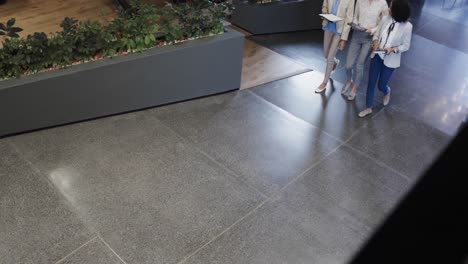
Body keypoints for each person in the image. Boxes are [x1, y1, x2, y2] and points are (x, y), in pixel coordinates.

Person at [358, 0, 412, 117]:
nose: (389, 9)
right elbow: (377, 34)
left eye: (391, 7)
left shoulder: (407, 27)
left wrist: (393, 49)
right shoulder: (385, 19)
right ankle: (368, 108)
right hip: (377, 54)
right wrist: (376, 42)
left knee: (381, 85)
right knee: (371, 82)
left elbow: (406, 46)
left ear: (398, 11)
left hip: (391, 59)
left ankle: (387, 91)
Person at [342, 0, 388, 101]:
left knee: (359, 64)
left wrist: (372, 30)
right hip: (357, 35)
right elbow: (355, 15)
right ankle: (349, 80)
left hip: (369, 38)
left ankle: (354, 88)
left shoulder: (383, 3)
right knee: (348, 65)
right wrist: (356, 24)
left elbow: (384, 23)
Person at [315, 0, 355, 93]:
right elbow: (324, 5)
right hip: (328, 25)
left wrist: (344, 39)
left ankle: (324, 82)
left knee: (329, 57)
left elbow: (349, 19)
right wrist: (324, 12)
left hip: (339, 30)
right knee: (326, 54)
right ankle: (335, 62)